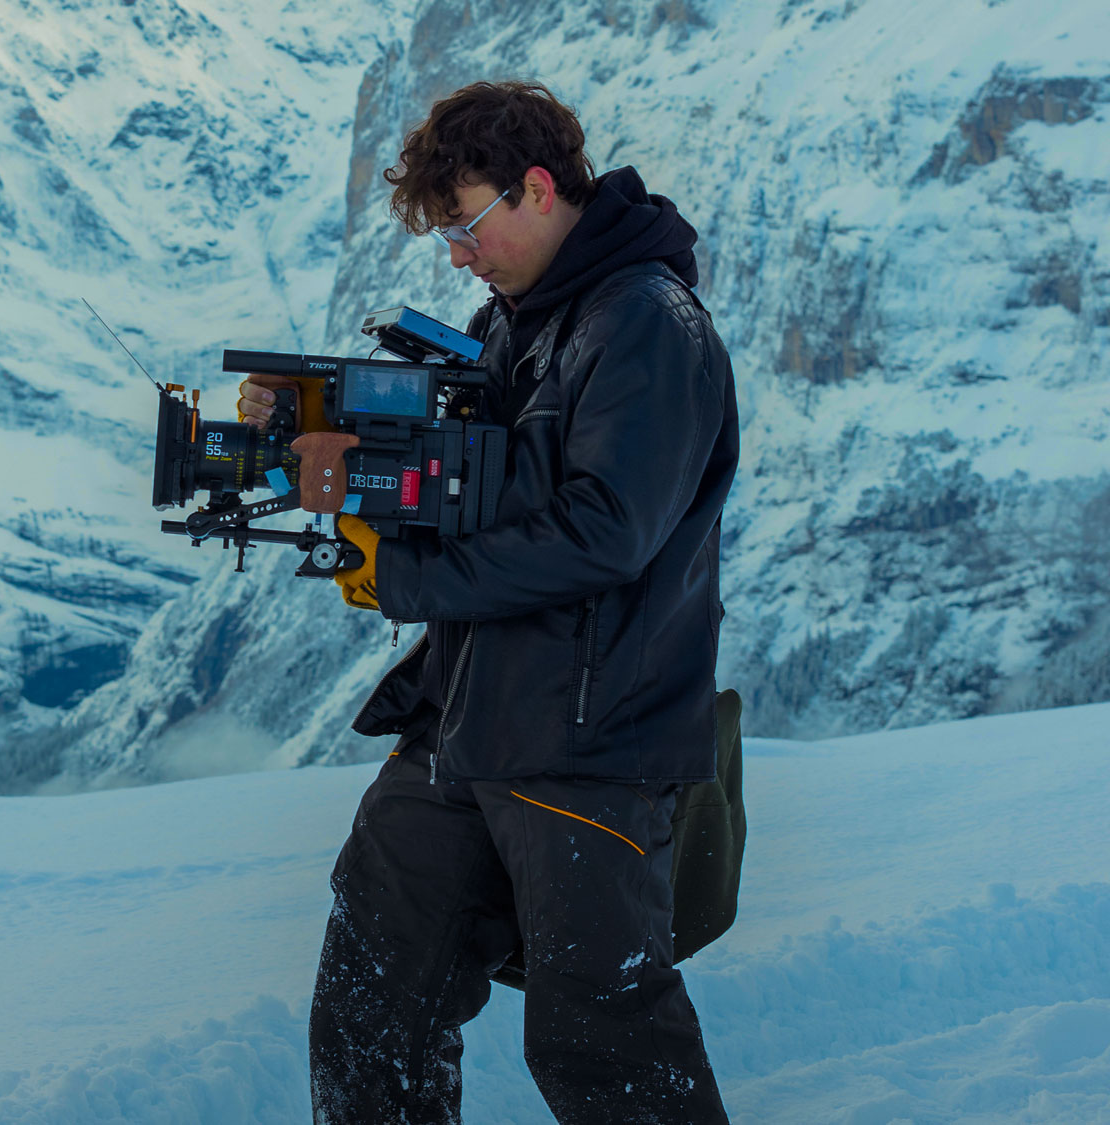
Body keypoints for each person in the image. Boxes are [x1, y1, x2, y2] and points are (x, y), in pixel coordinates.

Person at [238, 80, 738, 1123]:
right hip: (460, 726)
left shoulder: (646, 324)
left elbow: (607, 530)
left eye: (465, 228)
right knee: (372, 999)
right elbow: (455, 462)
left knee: (601, 1038)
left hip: (586, 743)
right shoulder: (510, 325)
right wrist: (307, 421)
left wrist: (406, 577)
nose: (458, 257)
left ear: (537, 189)